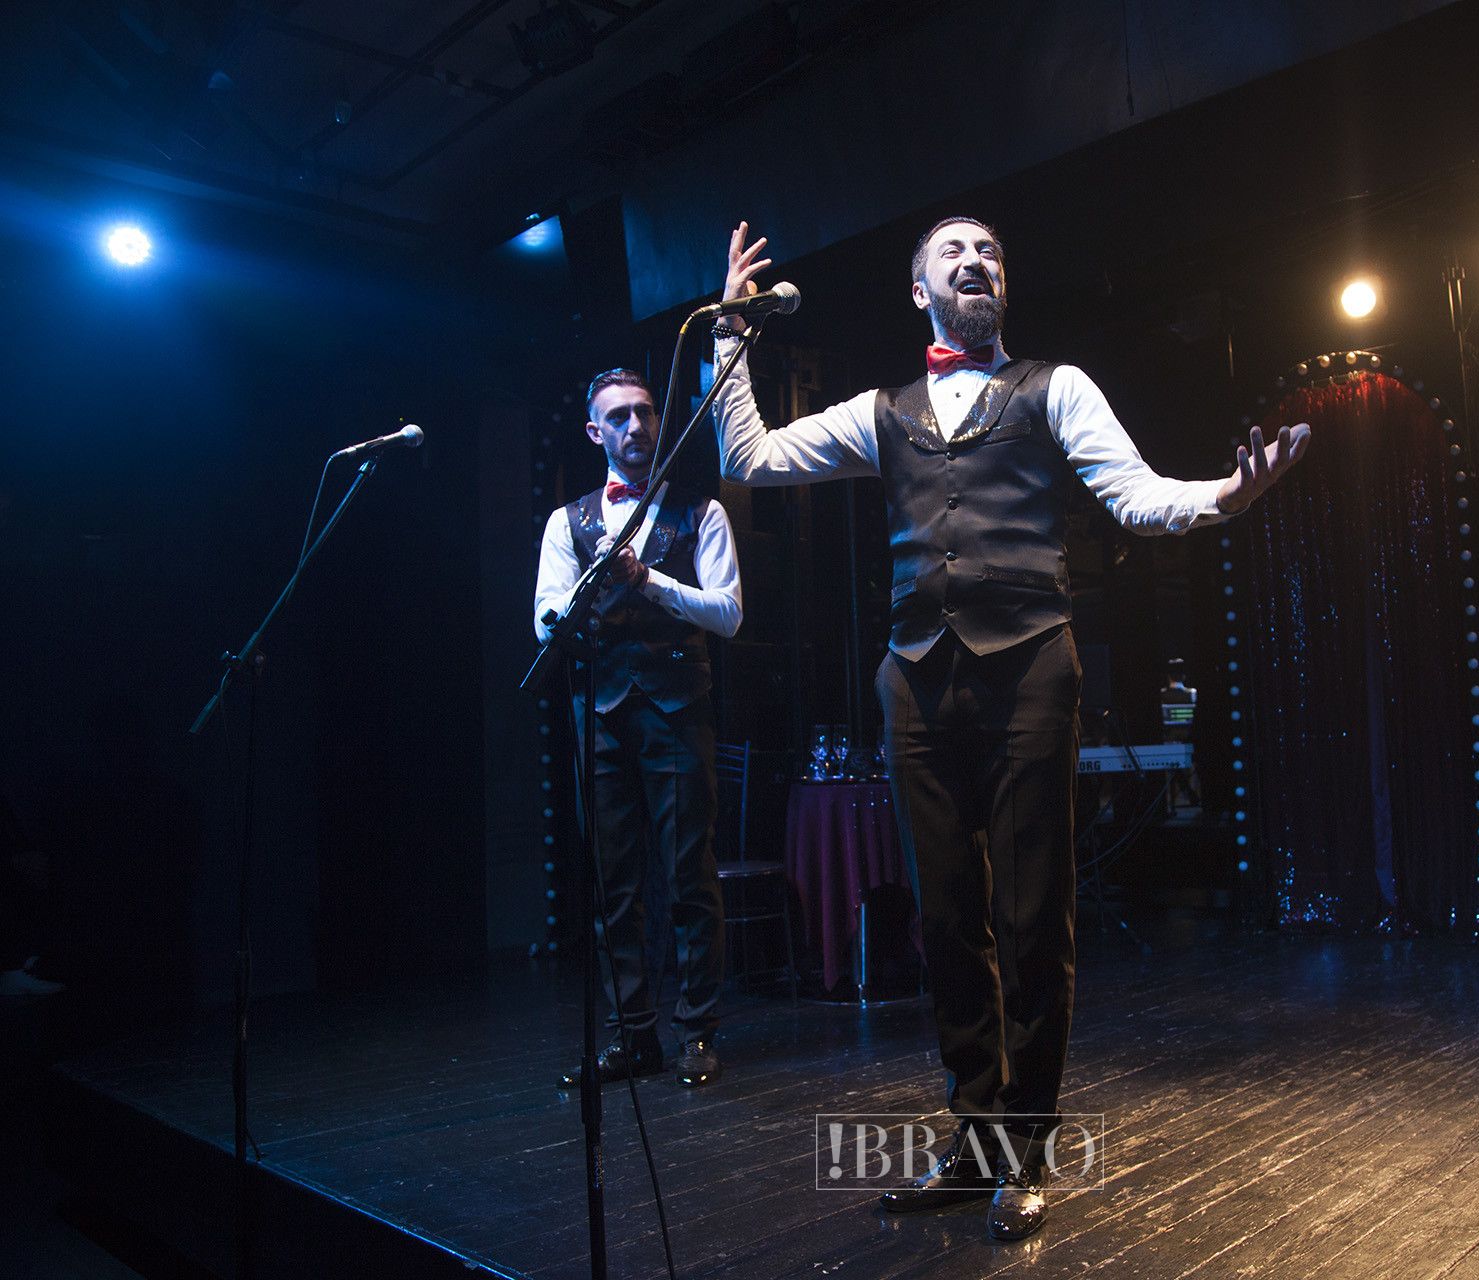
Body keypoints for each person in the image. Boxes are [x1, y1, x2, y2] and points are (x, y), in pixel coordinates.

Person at [711, 218, 1309, 1240]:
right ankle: (975, 1135)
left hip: (1030, 664)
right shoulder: (879, 411)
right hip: (915, 676)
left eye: (988, 250)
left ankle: (1025, 1146)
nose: (975, 260)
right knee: (945, 915)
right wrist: (731, 335)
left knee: (1033, 915)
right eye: (952, 252)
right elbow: (750, 455)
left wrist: (1227, 496)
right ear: (919, 291)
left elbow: (1136, 498)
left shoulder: (1055, 386)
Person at [535, 368, 743, 1089]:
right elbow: (545, 618)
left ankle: (698, 1031)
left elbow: (728, 613)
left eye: (645, 412)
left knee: (688, 877)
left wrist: (648, 581)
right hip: (600, 713)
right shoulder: (567, 523)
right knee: (612, 885)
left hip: (678, 710)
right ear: (595, 432)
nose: (636, 426)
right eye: (619, 417)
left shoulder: (702, 512)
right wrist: (581, 596)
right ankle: (632, 1036)